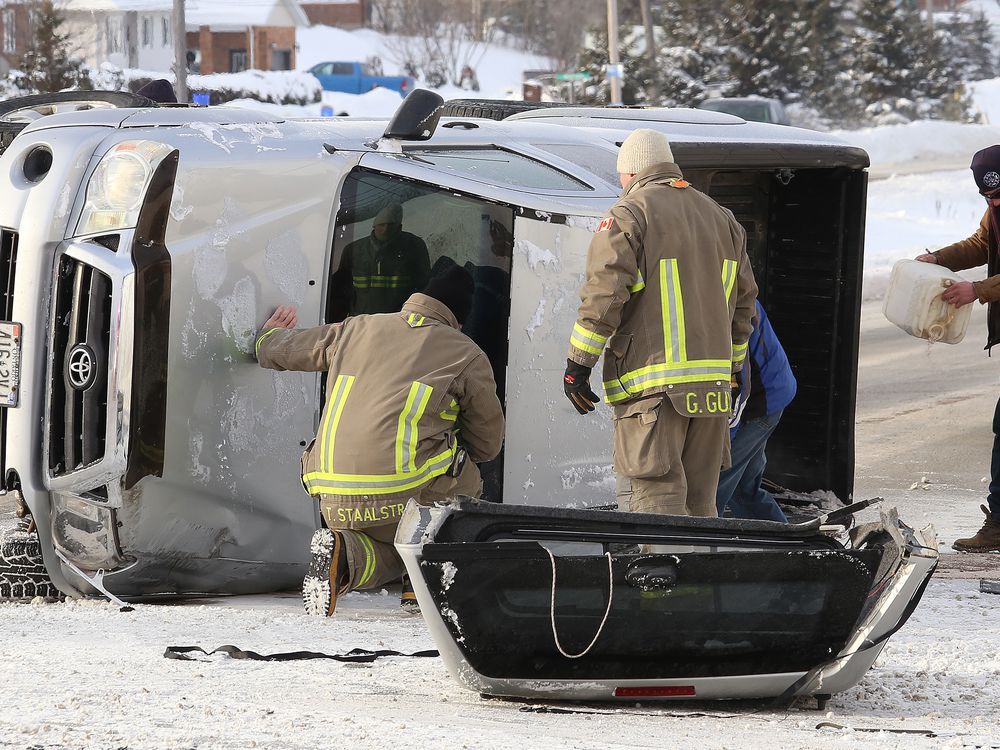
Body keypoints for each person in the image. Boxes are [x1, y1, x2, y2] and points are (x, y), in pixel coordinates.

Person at [255, 265, 505, 615]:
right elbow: (487, 445)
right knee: (467, 480)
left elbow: (280, 350)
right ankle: (423, 582)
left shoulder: (355, 329)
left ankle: (343, 554)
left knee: (383, 543)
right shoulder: (466, 353)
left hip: (332, 496)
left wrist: (266, 339)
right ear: (458, 320)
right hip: (401, 493)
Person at [563, 128, 758, 517]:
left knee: (656, 510)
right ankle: (700, 577)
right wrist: (733, 370)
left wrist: (577, 366)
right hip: (713, 394)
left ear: (631, 171)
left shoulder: (630, 215)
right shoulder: (723, 219)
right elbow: (744, 306)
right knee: (701, 507)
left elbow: (604, 296)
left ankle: (666, 580)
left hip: (654, 393)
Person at [916, 144, 1000, 552]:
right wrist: (938, 258)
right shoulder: (995, 207)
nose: (995, 202)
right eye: (988, 196)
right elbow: (982, 243)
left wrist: (979, 289)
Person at [716, 301, 796, 522]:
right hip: (772, 393)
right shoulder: (728, 287)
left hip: (760, 404)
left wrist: (725, 447)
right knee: (743, 488)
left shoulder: (729, 308)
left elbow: (739, 387)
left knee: (712, 488)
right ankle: (784, 544)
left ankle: (701, 549)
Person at [338, 203, 431, 315]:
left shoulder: (414, 246)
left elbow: (424, 288)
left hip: (399, 323)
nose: (385, 229)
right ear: (374, 226)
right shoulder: (353, 250)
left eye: (391, 225)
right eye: (382, 225)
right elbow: (341, 291)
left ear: (399, 227)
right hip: (361, 323)